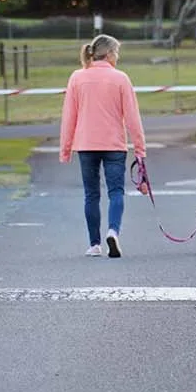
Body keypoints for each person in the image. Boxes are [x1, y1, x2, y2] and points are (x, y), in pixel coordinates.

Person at [59, 34, 146, 257]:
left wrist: (65, 149)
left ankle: (94, 244)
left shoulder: (77, 78)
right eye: (116, 53)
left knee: (91, 194)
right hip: (113, 144)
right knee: (116, 191)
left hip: (86, 143)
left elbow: (69, 116)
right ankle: (113, 231)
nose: (117, 57)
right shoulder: (120, 78)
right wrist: (139, 149)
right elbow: (132, 117)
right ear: (108, 54)